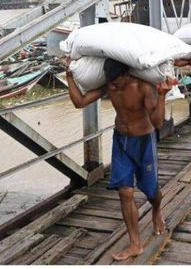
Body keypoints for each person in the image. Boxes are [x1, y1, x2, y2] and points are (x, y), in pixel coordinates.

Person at [66, 58, 174, 261]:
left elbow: (158, 122)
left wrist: (161, 96)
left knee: (151, 191)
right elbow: (79, 102)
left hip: (144, 143)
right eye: (110, 82)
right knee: (125, 192)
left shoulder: (143, 87)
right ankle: (135, 244)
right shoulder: (110, 86)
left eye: (116, 82)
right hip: (121, 142)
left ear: (127, 75)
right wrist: (69, 77)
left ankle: (157, 210)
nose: (113, 86)